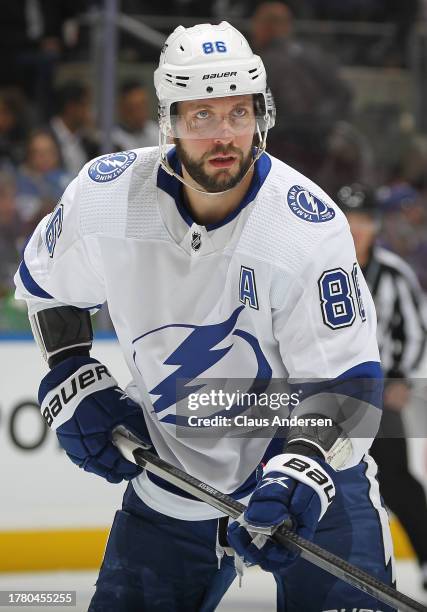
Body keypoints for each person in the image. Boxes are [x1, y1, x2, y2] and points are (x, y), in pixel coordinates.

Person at [15, 22, 395, 612]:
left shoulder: (304, 227)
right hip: (173, 477)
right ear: (169, 121)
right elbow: (47, 284)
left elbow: (349, 384)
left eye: (239, 114)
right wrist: (70, 372)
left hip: (310, 478)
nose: (225, 136)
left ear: (261, 116)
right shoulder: (106, 198)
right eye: (202, 117)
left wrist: (304, 466)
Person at [338, 183, 427, 590]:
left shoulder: (393, 272)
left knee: (396, 481)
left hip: (378, 394)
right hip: (329, 397)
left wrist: (402, 379)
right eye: (349, 218)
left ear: (376, 225)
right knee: (326, 479)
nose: (357, 228)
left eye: (365, 220)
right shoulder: (317, 269)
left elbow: (415, 331)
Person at [251, 1, 352, 180]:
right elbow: (344, 94)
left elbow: (259, 113)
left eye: (257, 24)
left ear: (267, 26)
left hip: (283, 147)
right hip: (319, 146)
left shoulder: (262, 64)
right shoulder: (315, 55)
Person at [49, 80, 99, 178]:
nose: (89, 112)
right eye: (85, 105)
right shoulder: (45, 137)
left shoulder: (86, 140)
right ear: (71, 107)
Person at [112, 80, 158, 151]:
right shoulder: (114, 139)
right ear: (122, 108)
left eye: (143, 105)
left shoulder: (156, 131)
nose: (141, 113)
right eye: (136, 107)